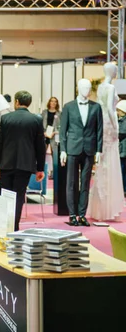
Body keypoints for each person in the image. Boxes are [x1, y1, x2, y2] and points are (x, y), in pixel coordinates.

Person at [0, 91, 45, 231]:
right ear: (29, 103)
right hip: (26, 165)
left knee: (4, 195)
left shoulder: (6, 119)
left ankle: (3, 227)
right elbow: (40, 146)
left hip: (6, 163)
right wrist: (40, 168)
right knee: (19, 196)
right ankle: (14, 227)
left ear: (16, 102)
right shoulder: (36, 120)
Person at [60, 79, 103, 227]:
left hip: (89, 149)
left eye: (89, 88)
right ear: (78, 88)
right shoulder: (68, 107)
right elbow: (62, 131)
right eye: (84, 87)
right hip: (72, 148)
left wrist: (99, 150)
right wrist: (63, 150)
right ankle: (72, 215)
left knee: (85, 183)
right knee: (71, 183)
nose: (87, 90)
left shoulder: (96, 107)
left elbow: (99, 131)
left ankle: (82, 215)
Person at [90, 62, 123, 221]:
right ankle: (108, 208)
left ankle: (102, 207)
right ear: (112, 71)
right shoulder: (110, 88)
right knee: (110, 162)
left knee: (104, 164)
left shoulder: (101, 87)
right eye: (116, 70)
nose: (117, 71)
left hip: (102, 125)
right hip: (109, 125)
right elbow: (110, 109)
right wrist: (116, 126)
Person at [41, 97, 61, 178]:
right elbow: (40, 123)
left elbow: (61, 126)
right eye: (52, 101)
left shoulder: (59, 113)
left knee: (55, 155)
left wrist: (55, 132)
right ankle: (41, 171)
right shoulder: (44, 112)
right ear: (49, 102)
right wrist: (43, 132)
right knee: (42, 154)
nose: (53, 103)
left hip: (54, 135)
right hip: (45, 135)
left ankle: (54, 173)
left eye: (55, 102)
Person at [117, 100, 126, 196]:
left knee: (123, 170)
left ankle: (123, 189)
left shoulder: (124, 121)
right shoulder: (120, 119)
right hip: (122, 149)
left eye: (118, 110)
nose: (117, 112)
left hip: (123, 150)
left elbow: (122, 132)